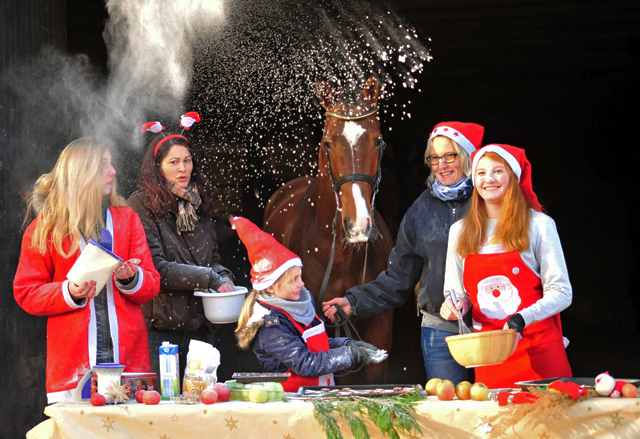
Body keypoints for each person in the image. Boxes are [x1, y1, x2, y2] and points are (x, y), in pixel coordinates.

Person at [323, 121, 484, 384]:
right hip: (441, 330)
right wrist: (354, 301)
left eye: (449, 156)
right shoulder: (420, 212)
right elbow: (398, 278)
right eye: (434, 158)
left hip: (493, 325)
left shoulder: (490, 200)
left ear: (466, 156)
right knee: (450, 413)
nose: (440, 165)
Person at [13, 137, 160, 404]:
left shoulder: (127, 218)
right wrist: (68, 291)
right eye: (104, 164)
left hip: (129, 365)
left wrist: (132, 278)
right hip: (72, 371)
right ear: (82, 171)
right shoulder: (46, 226)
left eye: (111, 163)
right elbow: (26, 291)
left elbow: (151, 282)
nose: (113, 171)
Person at [440, 144, 572, 388]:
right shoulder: (459, 232)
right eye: (481, 173)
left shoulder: (540, 226)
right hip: (491, 358)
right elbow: (455, 292)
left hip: (540, 354)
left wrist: (523, 317)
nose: (488, 179)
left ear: (512, 176)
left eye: (498, 171)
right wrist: (454, 305)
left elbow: (562, 292)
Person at [128, 117, 236, 384]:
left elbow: (212, 260)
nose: (182, 168)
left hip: (201, 328)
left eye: (187, 160)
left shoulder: (201, 202)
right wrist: (210, 278)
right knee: (164, 410)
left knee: (202, 407)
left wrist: (224, 276)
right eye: (173, 162)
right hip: (161, 331)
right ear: (157, 167)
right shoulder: (141, 205)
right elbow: (155, 269)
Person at [232, 216, 385, 392]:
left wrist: (348, 345)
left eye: (300, 277)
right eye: (293, 280)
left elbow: (318, 345)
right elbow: (306, 363)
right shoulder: (270, 326)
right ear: (271, 287)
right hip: (291, 402)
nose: (302, 284)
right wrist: (350, 355)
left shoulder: (299, 305)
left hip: (316, 396)